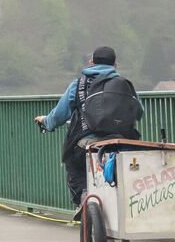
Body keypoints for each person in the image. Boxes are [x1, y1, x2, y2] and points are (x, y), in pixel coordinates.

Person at [33, 46, 144, 211]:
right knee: (124, 169)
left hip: (87, 143)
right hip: (121, 142)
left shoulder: (78, 84)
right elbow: (139, 112)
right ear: (115, 65)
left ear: (91, 63)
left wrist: (45, 121)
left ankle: (83, 199)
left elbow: (59, 116)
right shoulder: (124, 84)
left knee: (72, 160)